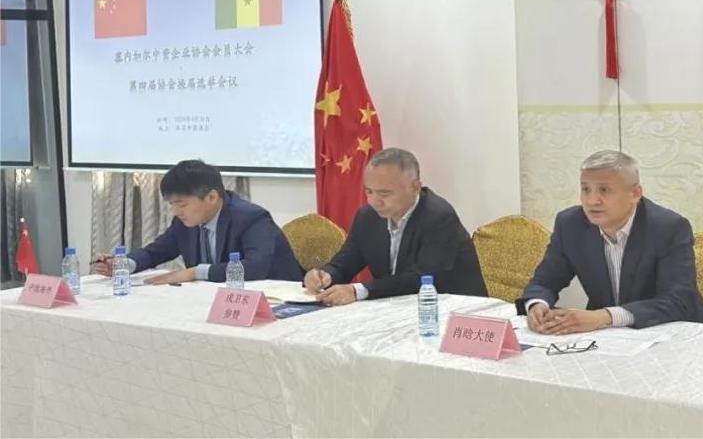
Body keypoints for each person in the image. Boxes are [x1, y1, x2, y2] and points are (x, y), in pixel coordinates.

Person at [516, 150, 703, 334]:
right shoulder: (570, 224)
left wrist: (604, 316)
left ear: (635, 193)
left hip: (673, 330)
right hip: (609, 336)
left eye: (604, 190)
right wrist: (537, 304)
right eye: (586, 189)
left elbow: (678, 300)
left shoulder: (668, 227)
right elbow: (545, 280)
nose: (592, 200)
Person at [304, 148, 487, 305]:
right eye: (369, 191)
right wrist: (326, 275)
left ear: (415, 187)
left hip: (452, 311)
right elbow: (346, 262)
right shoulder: (367, 216)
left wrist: (358, 290)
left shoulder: (439, 217)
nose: (374, 201)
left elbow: (421, 278)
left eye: (385, 193)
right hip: (395, 308)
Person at [90, 159, 303, 283]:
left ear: (211, 197)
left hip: (277, 303)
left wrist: (194, 272)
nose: (175, 212)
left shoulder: (252, 218)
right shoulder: (185, 222)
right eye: (171, 204)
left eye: (181, 204)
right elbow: (155, 252)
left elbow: (256, 268)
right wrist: (124, 265)